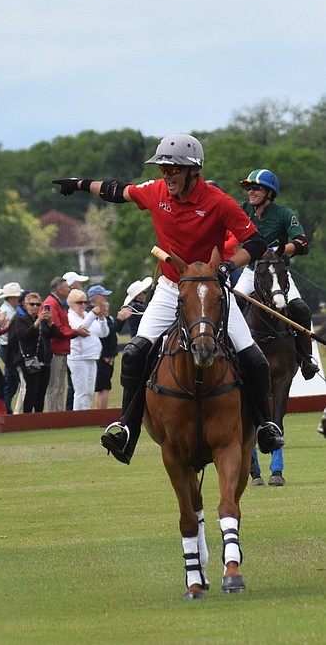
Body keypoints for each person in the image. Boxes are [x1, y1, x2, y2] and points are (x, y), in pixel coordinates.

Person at [54, 132, 283, 464]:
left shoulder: (219, 202)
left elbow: (256, 243)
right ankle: (127, 429)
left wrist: (227, 267)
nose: (167, 176)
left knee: (254, 358)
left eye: (173, 170)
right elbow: (118, 190)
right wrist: (77, 183)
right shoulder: (156, 191)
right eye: (163, 169)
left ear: (193, 171)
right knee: (134, 354)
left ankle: (264, 426)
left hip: (210, 290)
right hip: (171, 288)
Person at [234, 169, 318, 380]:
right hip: (251, 272)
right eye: (248, 188)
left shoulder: (283, 214)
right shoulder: (242, 210)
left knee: (300, 309)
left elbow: (303, 243)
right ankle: (227, 356)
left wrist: (276, 251)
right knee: (229, 303)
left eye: (256, 188)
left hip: (277, 273)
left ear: (269, 193)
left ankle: (306, 360)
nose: (251, 192)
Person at [42, 278, 90, 412]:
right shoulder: (51, 304)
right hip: (55, 349)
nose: (69, 289)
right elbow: (58, 329)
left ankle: (59, 413)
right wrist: (76, 332)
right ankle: (53, 415)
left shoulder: (57, 303)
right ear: (59, 289)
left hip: (61, 349)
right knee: (54, 385)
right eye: (67, 287)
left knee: (60, 385)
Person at [7, 292, 53, 413]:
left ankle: (38, 415)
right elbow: (24, 335)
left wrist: (50, 322)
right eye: (32, 304)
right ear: (25, 305)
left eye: (38, 304)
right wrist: (37, 322)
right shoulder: (20, 319)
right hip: (29, 359)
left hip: (44, 359)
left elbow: (53, 334)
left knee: (42, 390)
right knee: (32, 388)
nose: (35, 307)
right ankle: (27, 417)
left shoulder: (43, 320)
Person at [88, 286, 131, 410]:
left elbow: (112, 330)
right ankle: (102, 414)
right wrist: (119, 320)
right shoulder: (94, 314)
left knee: (104, 385)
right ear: (95, 298)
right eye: (103, 296)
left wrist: (120, 320)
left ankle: (102, 411)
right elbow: (106, 333)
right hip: (102, 353)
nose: (106, 298)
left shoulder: (104, 314)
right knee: (103, 386)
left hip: (107, 353)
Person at [66, 289, 109, 411]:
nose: (83, 305)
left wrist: (101, 318)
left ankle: (86, 415)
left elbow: (103, 333)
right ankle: (78, 417)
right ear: (71, 303)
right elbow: (81, 329)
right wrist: (93, 314)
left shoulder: (86, 315)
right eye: (79, 302)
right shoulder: (70, 317)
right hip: (78, 357)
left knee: (90, 391)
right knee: (81, 391)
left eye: (85, 302)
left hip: (92, 357)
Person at [0, 282, 24, 413]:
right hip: (8, 348)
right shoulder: (7, 311)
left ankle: (6, 408)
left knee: (12, 381)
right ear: (13, 298)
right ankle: (6, 409)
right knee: (13, 380)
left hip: (8, 348)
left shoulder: (10, 310)